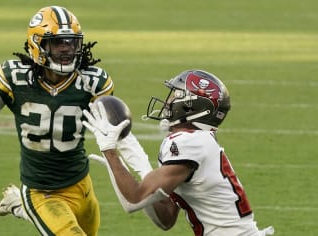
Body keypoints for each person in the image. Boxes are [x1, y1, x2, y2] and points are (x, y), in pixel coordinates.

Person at [0, 5, 152, 235]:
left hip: (81, 184)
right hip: (42, 191)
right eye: (57, 42)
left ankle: (19, 207)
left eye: (71, 42)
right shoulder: (17, 80)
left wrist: (146, 173)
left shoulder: (91, 82)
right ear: (38, 45)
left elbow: (120, 134)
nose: (66, 48)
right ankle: (26, 204)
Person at [83, 69, 275, 236]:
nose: (168, 101)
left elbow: (133, 200)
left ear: (192, 106)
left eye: (176, 94)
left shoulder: (189, 143)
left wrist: (110, 152)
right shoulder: (197, 141)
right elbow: (165, 217)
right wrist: (131, 153)